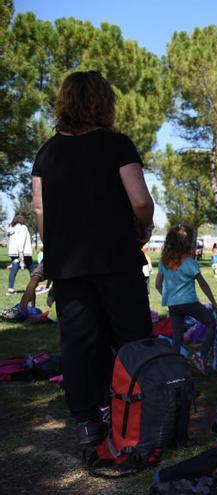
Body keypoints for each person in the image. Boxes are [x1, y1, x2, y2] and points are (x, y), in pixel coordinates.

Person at [31, 71, 154, 444]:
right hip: (115, 255)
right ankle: (143, 411)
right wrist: (145, 227)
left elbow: (40, 212)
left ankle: (87, 420)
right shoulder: (116, 145)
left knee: (79, 343)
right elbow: (140, 201)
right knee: (132, 336)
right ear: (104, 103)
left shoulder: (46, 153)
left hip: (68, 263)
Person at [155, 225, 217, 375]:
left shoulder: (164, 263)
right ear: (187, 243)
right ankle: (201, 355)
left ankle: (173, 368)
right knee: (211, 323)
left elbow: (158, 284)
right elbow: (203, 283)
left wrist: (168, 296)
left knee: (177, 335)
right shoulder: (190, 262)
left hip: (173, 305)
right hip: (189, 302)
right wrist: (214, 302)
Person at [7, 213, 35, 294]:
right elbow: (21, 241)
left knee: (13, 270)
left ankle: (10, 289)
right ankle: (34, 288)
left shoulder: (11, 228)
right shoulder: (23, 227)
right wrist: (21, 253)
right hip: (23, 252)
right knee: (32, 269)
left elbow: (9, 241)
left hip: (13, 252)